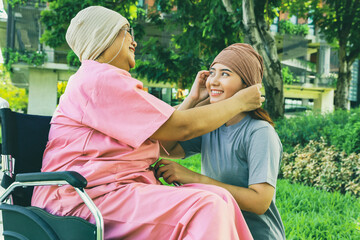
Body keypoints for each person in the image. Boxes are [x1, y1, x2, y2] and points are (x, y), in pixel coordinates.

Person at [31, 6, 264, 240]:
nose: (134, 41)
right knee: (205, 206)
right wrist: (239, 103)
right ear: (103, 35)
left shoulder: (102, 81)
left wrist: (193, 99)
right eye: (126, 31)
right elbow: (180, 128)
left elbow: (160, 132)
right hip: (81, 199)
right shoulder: (98, 80)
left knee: (220, 197)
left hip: (108, 191)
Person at [155, 43, 286, 240]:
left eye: (225, 74)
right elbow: (165, 146)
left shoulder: (260, 132)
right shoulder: (211, 125)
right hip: (220, 232)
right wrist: (192, 98)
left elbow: (260, 201)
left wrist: (193, 178)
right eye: (212, 73)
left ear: (246, 85)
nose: (214, 81)